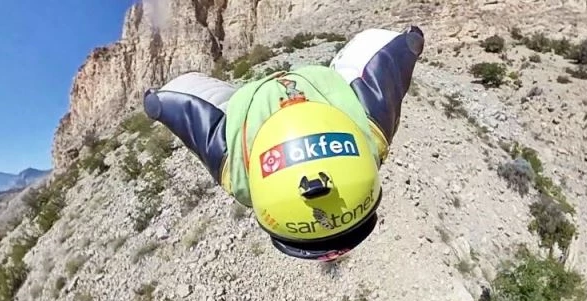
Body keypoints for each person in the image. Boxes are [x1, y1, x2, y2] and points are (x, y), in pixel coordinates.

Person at [142, 25, 424, 260]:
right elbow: (180, 100)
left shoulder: (373, 127)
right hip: (250, 115)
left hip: (264, 108)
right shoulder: (235, 171)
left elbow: (389, 52)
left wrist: (410, 42)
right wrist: (158, 104)